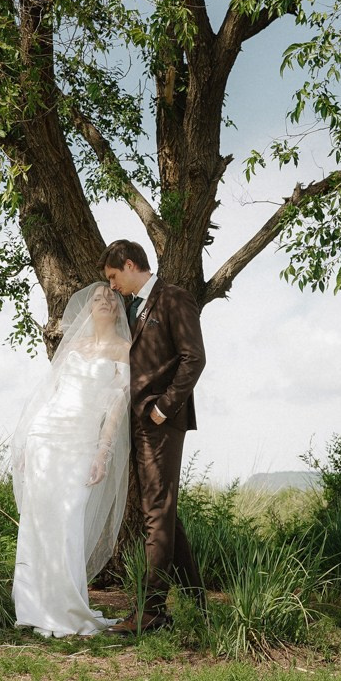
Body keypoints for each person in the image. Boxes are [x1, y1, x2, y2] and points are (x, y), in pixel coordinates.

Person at [9, 280, 132, 637]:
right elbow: (48, 394)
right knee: (37, 520)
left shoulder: (124, 349)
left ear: (119, 309)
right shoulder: (74, 344)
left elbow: (117, 405)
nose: (105, 301)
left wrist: (103, 451)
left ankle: (67, 609)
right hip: (45, 435)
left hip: (81, 440)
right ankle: (33, 608)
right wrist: (25, 441)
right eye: (98, 298)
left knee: (67, 521)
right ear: (88, 308)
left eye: (111, 296)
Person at [102, 239, 205, 633]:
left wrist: (164, 408)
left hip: (161, 422)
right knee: (165, 514)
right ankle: (197, 601)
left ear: (130, 265)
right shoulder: (128, 307)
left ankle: (151, 610)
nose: (112, 286)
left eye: (114, 277)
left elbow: (194, 357)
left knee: (156, 514)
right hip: (137, 423)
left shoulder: (173, 298)